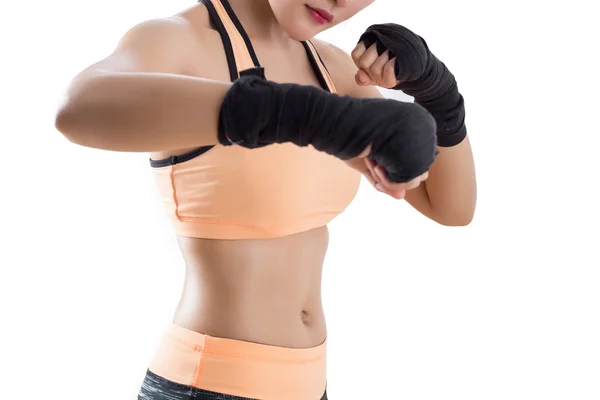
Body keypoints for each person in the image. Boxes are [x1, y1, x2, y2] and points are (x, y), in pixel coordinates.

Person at [54, 0, 477, 398]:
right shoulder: (182, 41)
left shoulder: (331, 66)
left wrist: (437, 91)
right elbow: (77, 108)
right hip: (212, 383)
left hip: (309, 382)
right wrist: (302, 116)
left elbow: (451, 207)